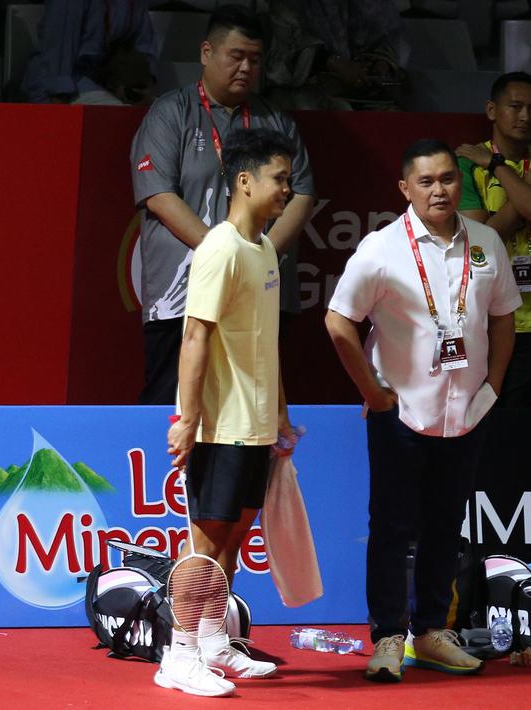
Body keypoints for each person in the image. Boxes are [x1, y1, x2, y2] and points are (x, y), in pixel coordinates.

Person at [325, 139, 521, 683]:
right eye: (426, 181)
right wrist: (371, 391)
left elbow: (504, 317)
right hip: (402, 411)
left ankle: (432, 632)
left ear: (461, 182)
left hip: (467, 411)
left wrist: (494, 385)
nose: (439, 190)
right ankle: (389, 635)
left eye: (448, 179)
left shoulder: (485, 241)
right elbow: (339, 321)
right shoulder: (381, 248)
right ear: (405, 189)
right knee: (392, 526)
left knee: (445, 524)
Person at [160, 128, 297, 697]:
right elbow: (195, 335)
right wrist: (188, 420)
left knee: (235, 534)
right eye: (279, 179)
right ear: (245, 181)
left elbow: (265, 341)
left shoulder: (262, 249)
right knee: (206, 540)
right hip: (220, 424)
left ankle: (214, 639)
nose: (287, 189)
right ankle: (178, 654)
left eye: (289, 180)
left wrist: (280, 414)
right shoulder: (220, 248)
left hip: (255, 423)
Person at [130, 5, 315, 405]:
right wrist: (226, 254)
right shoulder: (170, 114)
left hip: (260, 289)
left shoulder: (276, 121)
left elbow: (301, 194)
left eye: (255, 59)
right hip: (182, 292)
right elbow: (159, 195)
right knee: (171, 402)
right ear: (206, 53)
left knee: (248, 404)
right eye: (236, 56)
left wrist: (260, 255)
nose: (246, 67)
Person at [456, 71, 531, 406]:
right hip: (480, 317)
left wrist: (497, 167)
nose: (525, 116)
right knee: (477, 418)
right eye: (515, 106)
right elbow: (483, 240)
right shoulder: (467, 162)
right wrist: (523, 184)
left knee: (520, 424)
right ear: (492, 110)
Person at [264, 0, 404, 111]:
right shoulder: (289, 4)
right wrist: (333, 63)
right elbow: (283, 50)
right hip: (303, 90)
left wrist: (381, 61)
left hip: (361, 90)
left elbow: (385, 32)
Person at [20, 0, 157, 105]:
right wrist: (57, 97)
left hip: (104, 80)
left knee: (159, 110)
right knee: (119, 114)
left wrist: (143, 84)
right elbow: (57, 54)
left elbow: (144, 46)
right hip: (64, 81)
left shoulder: (134, 3)